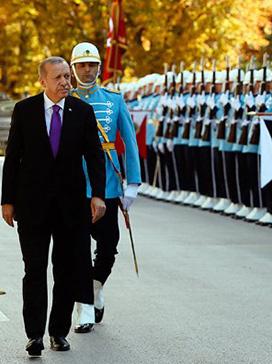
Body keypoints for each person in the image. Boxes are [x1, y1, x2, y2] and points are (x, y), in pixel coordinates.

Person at [1, 56, 106, 356]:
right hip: (32, 205)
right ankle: (34, 335)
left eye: (66, 77)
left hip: (71, 208)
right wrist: (7, 200)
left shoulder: (82, 112)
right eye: (58, 77)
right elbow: (13, 158)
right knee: (34, 269)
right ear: (42, 81)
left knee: (65, 270)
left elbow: (95, 156)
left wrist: (97, 194)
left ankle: (58, 332)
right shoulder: (25, 110)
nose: (65, 82)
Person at [69, 42, 141, 333]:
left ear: (99, 67)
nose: (87, 70)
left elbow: (130, 142)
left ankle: (96, 286)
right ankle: (84, 306)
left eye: (91, 65)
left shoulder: (114, 100)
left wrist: (133, 182)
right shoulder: (66, 98)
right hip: (74, 183)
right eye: (81, 65)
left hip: (108, 184)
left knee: (108, 246)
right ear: (73, 69)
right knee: (76, 249)